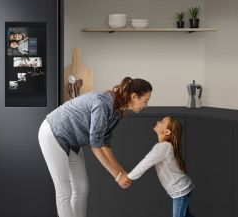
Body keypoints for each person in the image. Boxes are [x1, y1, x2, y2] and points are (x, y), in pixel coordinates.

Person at [38, 77, 152, 217]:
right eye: (145, 100)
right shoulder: (104, 103)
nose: (146, 105)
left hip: (73, 140)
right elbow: (96, 145)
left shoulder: (117, 110)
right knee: (64, 191)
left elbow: (104, 143)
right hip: (53, 133)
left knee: (82, 187)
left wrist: (121, 172)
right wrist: (117, 176)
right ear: (134, 96)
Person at [127, 116, 195, 217]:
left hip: (180, 190)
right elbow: (146, 161)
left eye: (162, 122)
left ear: (167, 132)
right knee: (186, 215)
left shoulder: (163, 147)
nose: (158, 121)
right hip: (182, 188)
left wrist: (128, 177)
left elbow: (145, 163)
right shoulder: (162, 146)